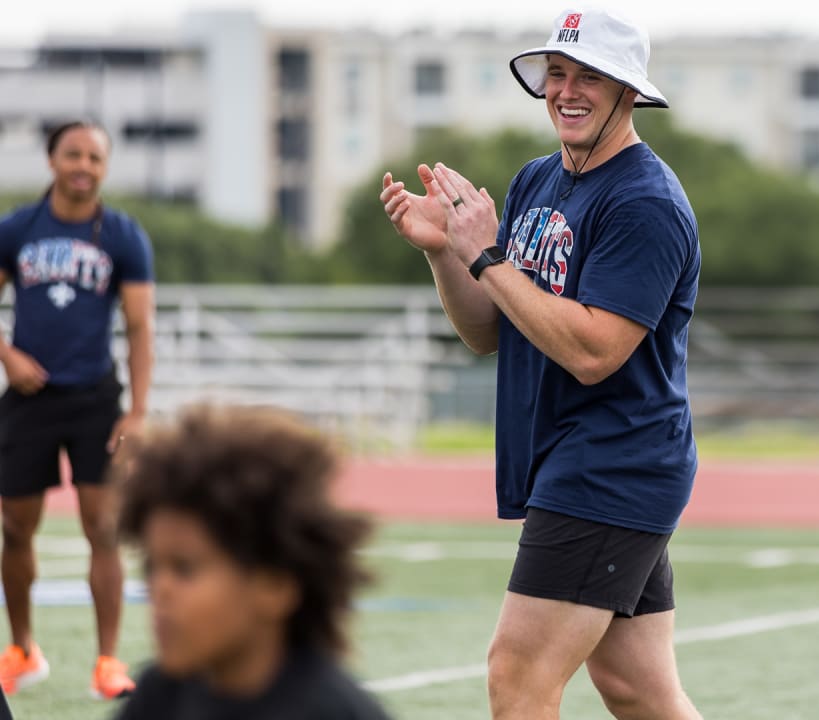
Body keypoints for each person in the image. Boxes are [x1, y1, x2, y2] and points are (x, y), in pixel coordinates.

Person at [380, 8, 702, 719]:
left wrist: (486, 254)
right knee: (638, 691)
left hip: (612, 465)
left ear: (628, 91)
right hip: (589, 461)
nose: (568, 90)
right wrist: (446, 250)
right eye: (558, 73)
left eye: (591, 75)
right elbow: (489, 330)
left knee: (517, 675)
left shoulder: (645, 202)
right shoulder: (535, 180)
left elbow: (593, 352)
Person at [0, 119, 154, 699]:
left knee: (104, 529)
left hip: (95, 399)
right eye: (73, 155)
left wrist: (137, 411)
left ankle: (108, 661)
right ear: (52, 161)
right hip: (29, 399)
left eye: (94, 156)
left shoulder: (122, 235)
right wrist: (9, 356)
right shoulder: (16, 229)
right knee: (15, 527)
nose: (83, 165)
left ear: (105, 167)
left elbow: (140, 326)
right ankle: (22, 648)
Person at [110, 403, 392, 720]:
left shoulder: (336, 711)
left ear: (274, 585)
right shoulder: (159, 698)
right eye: (152, 568)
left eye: (184, 569)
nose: (159, 590)